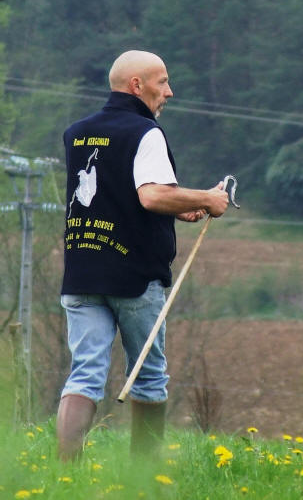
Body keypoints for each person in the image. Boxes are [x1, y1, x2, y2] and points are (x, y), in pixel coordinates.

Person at [56, 50, 228, 461]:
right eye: (162, 82)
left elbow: (114, 196)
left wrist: (180, 207)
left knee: (84, 376)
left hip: (81, 272)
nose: (169, 91)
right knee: (149, 377)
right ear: (137, 86)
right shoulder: (145, 132)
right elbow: (151, 194)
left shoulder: (76, 133)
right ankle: (144, 478)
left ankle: (64, 474)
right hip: (134, 278)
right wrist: (208, 198)